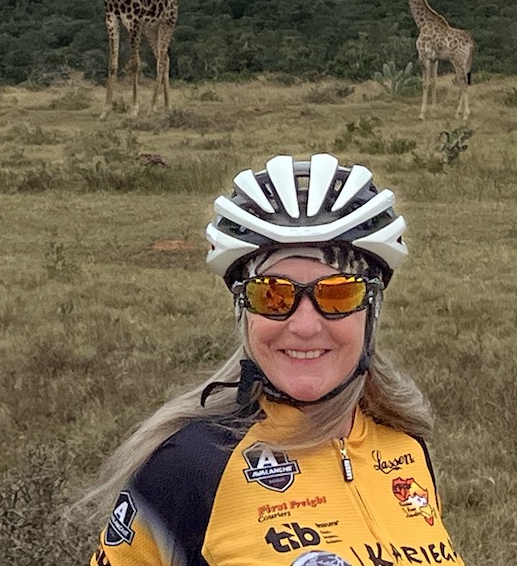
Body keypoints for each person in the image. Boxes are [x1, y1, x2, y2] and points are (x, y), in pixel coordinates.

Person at [81, 153, 460, 566]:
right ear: (244, 312)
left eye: (338, 293)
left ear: (371, 310)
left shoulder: (405, 447)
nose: (304, 325)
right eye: (272, 295)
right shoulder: (189, 467)